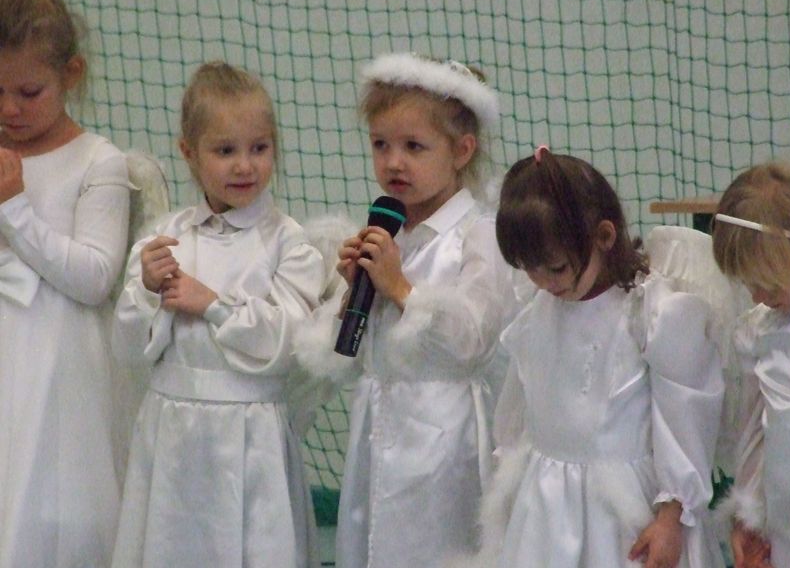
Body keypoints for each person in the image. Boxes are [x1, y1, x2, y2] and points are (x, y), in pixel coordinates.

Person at [300, 51, 513, 568]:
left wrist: (400, 287)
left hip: (444, 439)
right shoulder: (390, 231)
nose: (394, 162)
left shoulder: (479, 234)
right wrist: (354, 294)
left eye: (414, 146)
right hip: (377, 430)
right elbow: (348, 357)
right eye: (381, 144)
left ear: (462, 150)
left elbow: (474, 340)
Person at [111, 61, 325, 567]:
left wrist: (213, 306)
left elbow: (289, 343)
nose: (245, 166)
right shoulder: (164, 238)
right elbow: (127, 349)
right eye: (225, 151)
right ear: (189, 152)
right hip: (173, 437)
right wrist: (146, 292)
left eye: (259, 148)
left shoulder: (289, 243)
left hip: (252, 439)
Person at [486, 147, 725, 567]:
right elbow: (519, 407)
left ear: (605, 237)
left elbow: (684, 419)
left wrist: (673, 515)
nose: (543, 282)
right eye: (529, 268)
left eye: (556, 267)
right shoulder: (538, 310)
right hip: (544, 511)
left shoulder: (652, 314)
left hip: (625, 518)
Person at [0, 0, 130, 565]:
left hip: (60, 366)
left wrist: (14, 208)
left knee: (49, 518)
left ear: (70, 74)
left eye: (30, 93)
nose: (10, 109)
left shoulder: (98, 160)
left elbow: (95, 277)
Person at [712, 162, 790, 568]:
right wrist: (748, 517)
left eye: (767, 283)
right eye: (749, 285)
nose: (758, 297)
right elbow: (752, 433)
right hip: (787, 529)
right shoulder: (760, 331)